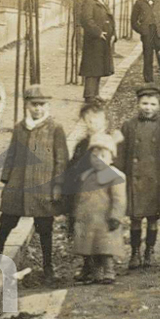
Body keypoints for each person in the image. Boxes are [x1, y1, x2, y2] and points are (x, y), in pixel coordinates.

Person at [0, 85, 69, 285]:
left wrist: (58, 187)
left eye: (42, 105)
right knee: (7, 219)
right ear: (27, 105)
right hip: (18, 184)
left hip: (43, 185)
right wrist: (6, 177)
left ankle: (47, 265)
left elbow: (61, 160)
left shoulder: (55, 128)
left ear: (48, 105)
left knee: (44, 227)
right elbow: (11, 153)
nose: (38, 109)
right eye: (34, 105)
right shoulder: (20, 127)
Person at [116, 84, 160, 270]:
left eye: (152, 104)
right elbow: (121, 153)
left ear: (159, 105)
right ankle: (135, 252)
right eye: (144, 103)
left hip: (157, 180)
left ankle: (149, 251)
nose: (148, 108)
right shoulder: (129, 126)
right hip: (134, 179)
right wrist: (118, 175)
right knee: (135, 218)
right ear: (137, 103)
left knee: (153, 217)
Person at [69, 131, 127, 284]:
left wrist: (116, 216)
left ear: (111, 158)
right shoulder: (86, 176)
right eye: (95, 157)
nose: (99, 160)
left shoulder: (115, 176)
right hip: (88, 219)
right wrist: (76, 213)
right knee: (90, 247)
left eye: (103, 156)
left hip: (105, 219)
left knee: (105, 248)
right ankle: (95, 273)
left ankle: (109, 271)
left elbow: (119, 199)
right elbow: (80, 197)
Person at [66, 99, 113, 282]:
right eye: (88, 119)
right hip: (83, 196)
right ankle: (88, 265)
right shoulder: (82, 145)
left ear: (105, 121)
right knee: (83, 231)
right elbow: (73, 168)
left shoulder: (109, 143)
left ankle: (102, 268)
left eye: (96, 119)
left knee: (101, 232)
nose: (92, 123)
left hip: (102, 196)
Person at [78, 0, 116, 103]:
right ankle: (89, 95)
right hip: (93, 40)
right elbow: (86, 20)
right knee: (92, 67)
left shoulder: (100, 1)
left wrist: (113, 33)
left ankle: (96, 93)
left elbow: (109, 18)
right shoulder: (88, 1)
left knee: (99, 66)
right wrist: (98, 32)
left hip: (103, 40)